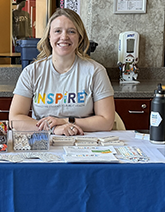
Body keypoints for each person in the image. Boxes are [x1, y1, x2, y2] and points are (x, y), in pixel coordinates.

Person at [9, 8, 115, 136]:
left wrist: (65, 122)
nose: (64, 37)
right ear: (49, 36)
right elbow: (14, 119)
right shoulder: (32, 72)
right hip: (44, 142)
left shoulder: (95, 71)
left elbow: (107, 121)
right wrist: (53, 129)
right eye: (58, 31)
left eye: (71, 31)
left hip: (83, 143)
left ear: (79, 38)